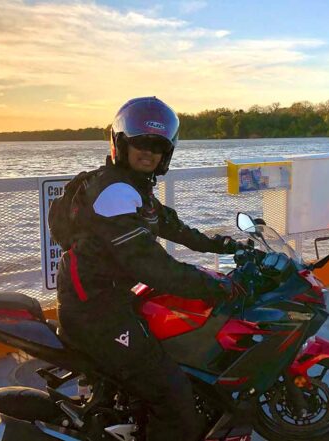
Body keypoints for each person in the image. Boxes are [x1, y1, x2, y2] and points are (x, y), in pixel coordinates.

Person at [54, 97, 242, 441]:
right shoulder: (115, 192)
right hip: (95, 310)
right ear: (122, 144)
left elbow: (175, 227)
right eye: (141, 142)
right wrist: (218, 286)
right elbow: (153, 267)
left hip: (106, 297)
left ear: (166, 153)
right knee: (172, 395)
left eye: (157, 145)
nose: (149, 152)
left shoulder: (135, 188)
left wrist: (225, 245)